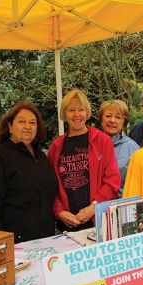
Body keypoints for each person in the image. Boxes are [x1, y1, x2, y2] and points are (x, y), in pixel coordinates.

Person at [0, 100, 58, 243]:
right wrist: (2, 243)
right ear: (10, 126)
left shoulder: (41, 155)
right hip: (16, 245)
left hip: (46, 239)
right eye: (21, 122)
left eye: (32, 123)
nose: (27, 127)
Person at [47, 89, 121, 232]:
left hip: (97, 222)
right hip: (66, 224)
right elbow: (50, 186)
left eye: (81, 109)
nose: (76, 115)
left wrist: (93, 207)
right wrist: (60, 212)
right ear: (64, 114)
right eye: (71, 110)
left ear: (87, 112)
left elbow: (113, 181)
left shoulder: (102, 141)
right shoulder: (55, 147)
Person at [99, 100, 139, 197]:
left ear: (124, 122)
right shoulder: (91, 144)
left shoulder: (133, 148)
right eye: (108, 116)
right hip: (93, 206)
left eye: (118, 117)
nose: (112, 120)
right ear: (101, 120)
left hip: (121, 204)